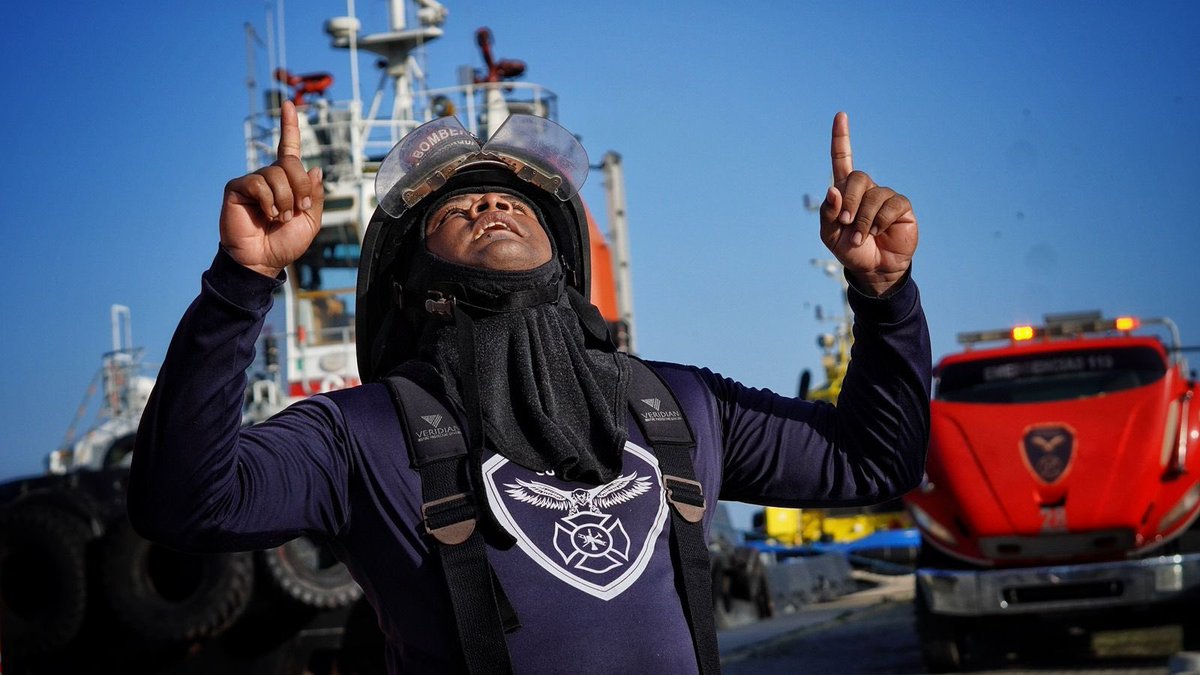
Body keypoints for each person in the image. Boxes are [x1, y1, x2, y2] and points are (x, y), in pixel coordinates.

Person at [129, 100, 930, 674]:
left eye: (514, 199)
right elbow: (183, 503)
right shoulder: (358, 435)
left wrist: (884, 294)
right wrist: (241, 283)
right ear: (410, 285)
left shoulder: (679, 406)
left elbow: (874, 461)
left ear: (563, 257)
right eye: (456, 209)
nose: (489, 201)